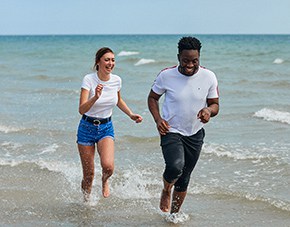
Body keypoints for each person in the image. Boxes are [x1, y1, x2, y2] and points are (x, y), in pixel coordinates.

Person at [147, 37, 219, 214]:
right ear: (178, 57)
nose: (190, 65)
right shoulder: (166, 75)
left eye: (194, 61)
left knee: (184, 178)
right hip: (171, 130)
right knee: (175, 167)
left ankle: (173, 215)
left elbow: (215, 104)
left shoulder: (208, 76)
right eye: (186, 60)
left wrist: (208, 111)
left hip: (195, 133)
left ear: (199, 58)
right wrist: (158, 119)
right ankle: (166, 190)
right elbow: (152, 98)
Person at [77, 47, 143, 201]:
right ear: (98, 62)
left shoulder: (116, 80)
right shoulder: (89, 80)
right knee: (88, 175)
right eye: (107, 59)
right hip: (86, 127)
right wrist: (95, 97)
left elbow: (118, 100)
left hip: (106, 127)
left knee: (108, 167)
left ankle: (105, 180)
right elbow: (81, 109)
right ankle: (86, 202)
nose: (110, 63)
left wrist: (131, 114)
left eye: (113, 60)